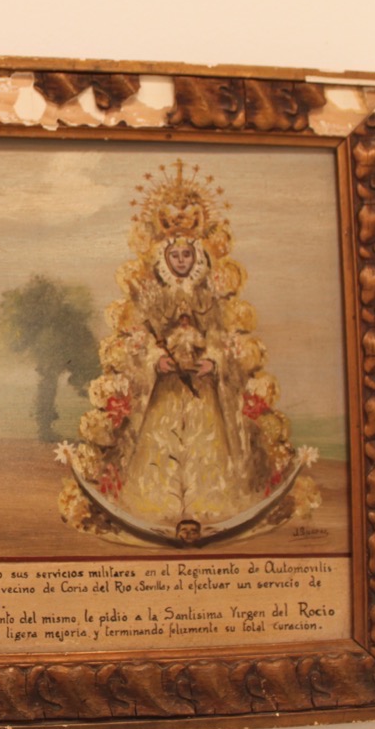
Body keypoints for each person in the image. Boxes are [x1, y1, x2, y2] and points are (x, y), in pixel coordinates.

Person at [58, 161, 318, 545]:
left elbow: (225, 337)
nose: (181, 261)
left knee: (208, 452)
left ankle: (211, 510)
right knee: (156, 452)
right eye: (175, 256)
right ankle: (154, 511)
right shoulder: (150, 294)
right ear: (164, 259)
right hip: (162, 390)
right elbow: (137, 338)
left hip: (204, 388)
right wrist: (155, 360)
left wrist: (214, 359)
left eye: (187, 256)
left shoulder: (211, 293)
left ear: (197, 258)